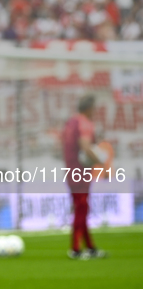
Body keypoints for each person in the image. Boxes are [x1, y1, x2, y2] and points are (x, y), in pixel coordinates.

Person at [62, 94, 107, 260]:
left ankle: (90, 247)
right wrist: (101, 163)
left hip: (71, 170)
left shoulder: (70, 122)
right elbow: (86, 147)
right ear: (89, 108)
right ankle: (75, 249)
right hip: (80, 172)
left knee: (82, 208)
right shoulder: (84, 123)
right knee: (81, 209)